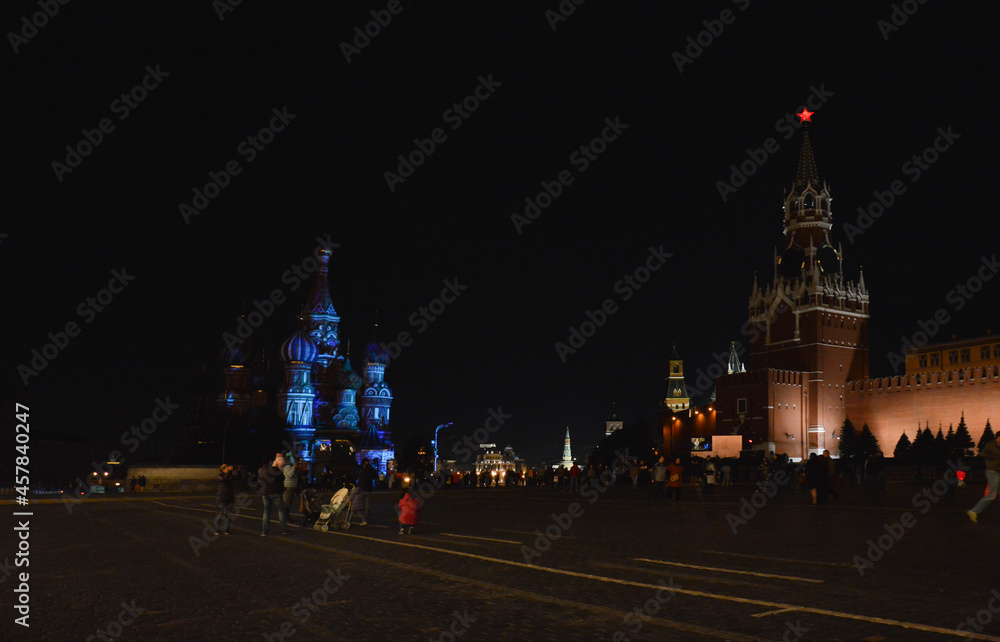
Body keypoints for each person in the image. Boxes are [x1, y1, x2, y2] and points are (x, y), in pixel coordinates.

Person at [968, 432, 1000, 523]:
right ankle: (974, 511)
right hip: (992, 471)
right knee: (992, 494)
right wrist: (995, 456)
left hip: (998, 471)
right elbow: (983, 454)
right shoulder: (991, 444)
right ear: (998, 438)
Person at [258, 454, 290, 536]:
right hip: (276, 492)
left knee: (266, 513)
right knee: (281, 511)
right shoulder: (274, 469)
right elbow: (282, 478)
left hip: (265, 493)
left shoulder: (260, 470)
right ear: (270, 462)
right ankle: (284, 530)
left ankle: (264, 531)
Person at [214, 464, 235, 535]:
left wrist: (237, 471)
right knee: (220, 515)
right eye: (226, 468)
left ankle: (227, 529)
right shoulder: (220, 476)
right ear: (223, 470)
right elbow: (225, 480)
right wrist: (229, 471)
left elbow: (237, 478)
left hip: (228, 498)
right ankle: (217, 529)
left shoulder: (229, 476)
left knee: (227, 515)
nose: (228, 469)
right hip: (222, 498)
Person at [280, 453, 298, 526]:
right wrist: (294, 467)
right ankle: (285, 518)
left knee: (289, 503)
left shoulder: (289, 466)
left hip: (291, 486)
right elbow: (290, 475)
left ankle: (286, 517)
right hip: (288, 486)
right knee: (286, 503)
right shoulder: (287, 466)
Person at [356, 458, 376, 525]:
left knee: (361, 502)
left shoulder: (362, 471)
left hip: (362, 488)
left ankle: (361, 513)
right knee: (367, 502)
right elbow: (375, 475)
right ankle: (366, 513)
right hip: (368, 488)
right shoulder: (370, 471)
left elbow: (359, 479)